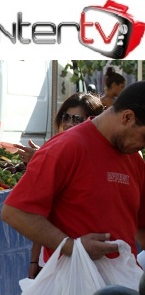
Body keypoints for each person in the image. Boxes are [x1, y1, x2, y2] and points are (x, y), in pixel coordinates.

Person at [1, 80, 145, 277]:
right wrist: (72, 246)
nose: (143, 146)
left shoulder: (134, 157)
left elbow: (141, 225)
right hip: (71, 285)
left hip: (123, 282)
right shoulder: (66, 147)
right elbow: (15, 212)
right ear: (127, 117)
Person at [13, 92, 105, 278]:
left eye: (77, 119)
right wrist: (34, 260)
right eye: (66, 117)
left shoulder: (101, 158)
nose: (70, 123)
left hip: (92, 256)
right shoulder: (54, 150)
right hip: (54, 256)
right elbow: (41, 215)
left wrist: (42, 159)